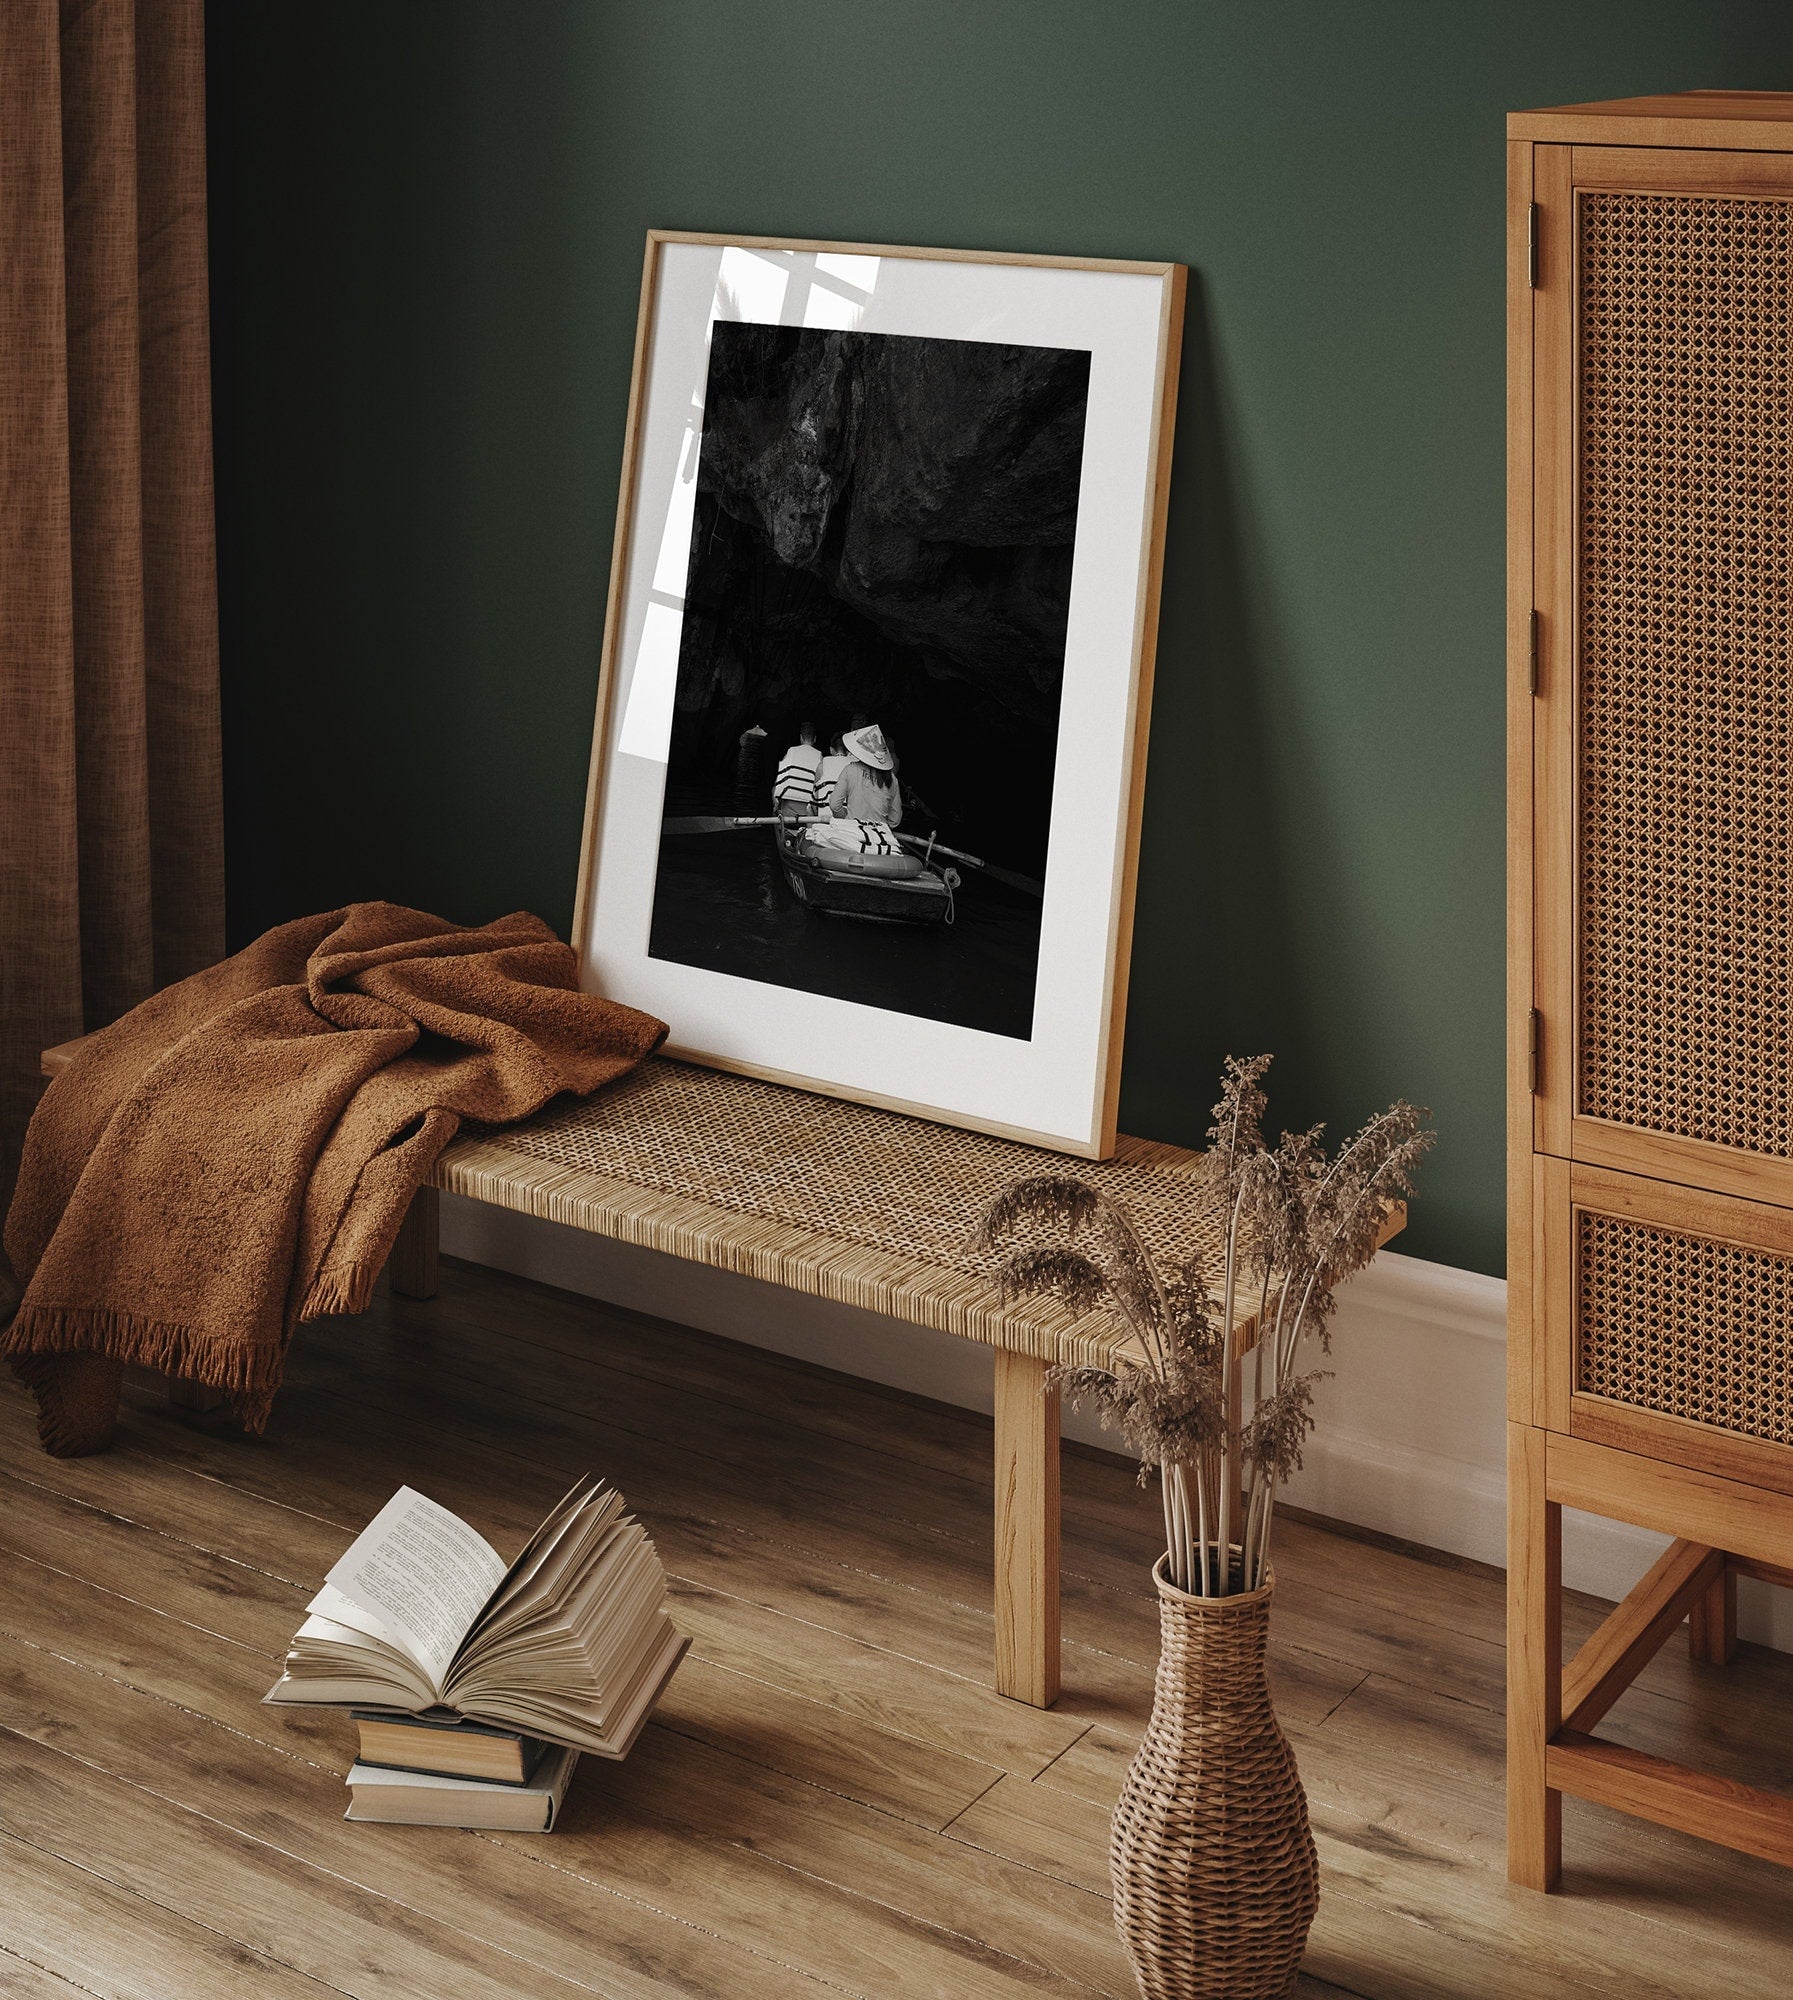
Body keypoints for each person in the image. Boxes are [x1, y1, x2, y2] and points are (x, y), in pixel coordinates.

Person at [827, 722, 903, 828]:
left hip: (853, 831)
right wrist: (880, 825)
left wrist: (847, 818)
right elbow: (895, 819)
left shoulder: (851, 769)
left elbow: (834, 805)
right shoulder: (892, 778)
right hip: (880, 836)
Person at [772, 722, 824, 818]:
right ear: (815, 739)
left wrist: (775, 804)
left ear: (801, 737)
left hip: (788, 810)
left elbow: (779, 781)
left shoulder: (791, 751)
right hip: (808, 812)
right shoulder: (819, 756)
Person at [814, 732, 850, 814]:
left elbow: (815, 796)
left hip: (824, 817)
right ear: (848, 751)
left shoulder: (822, 765)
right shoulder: (854, 765)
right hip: (848, 819)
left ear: (831, 749)